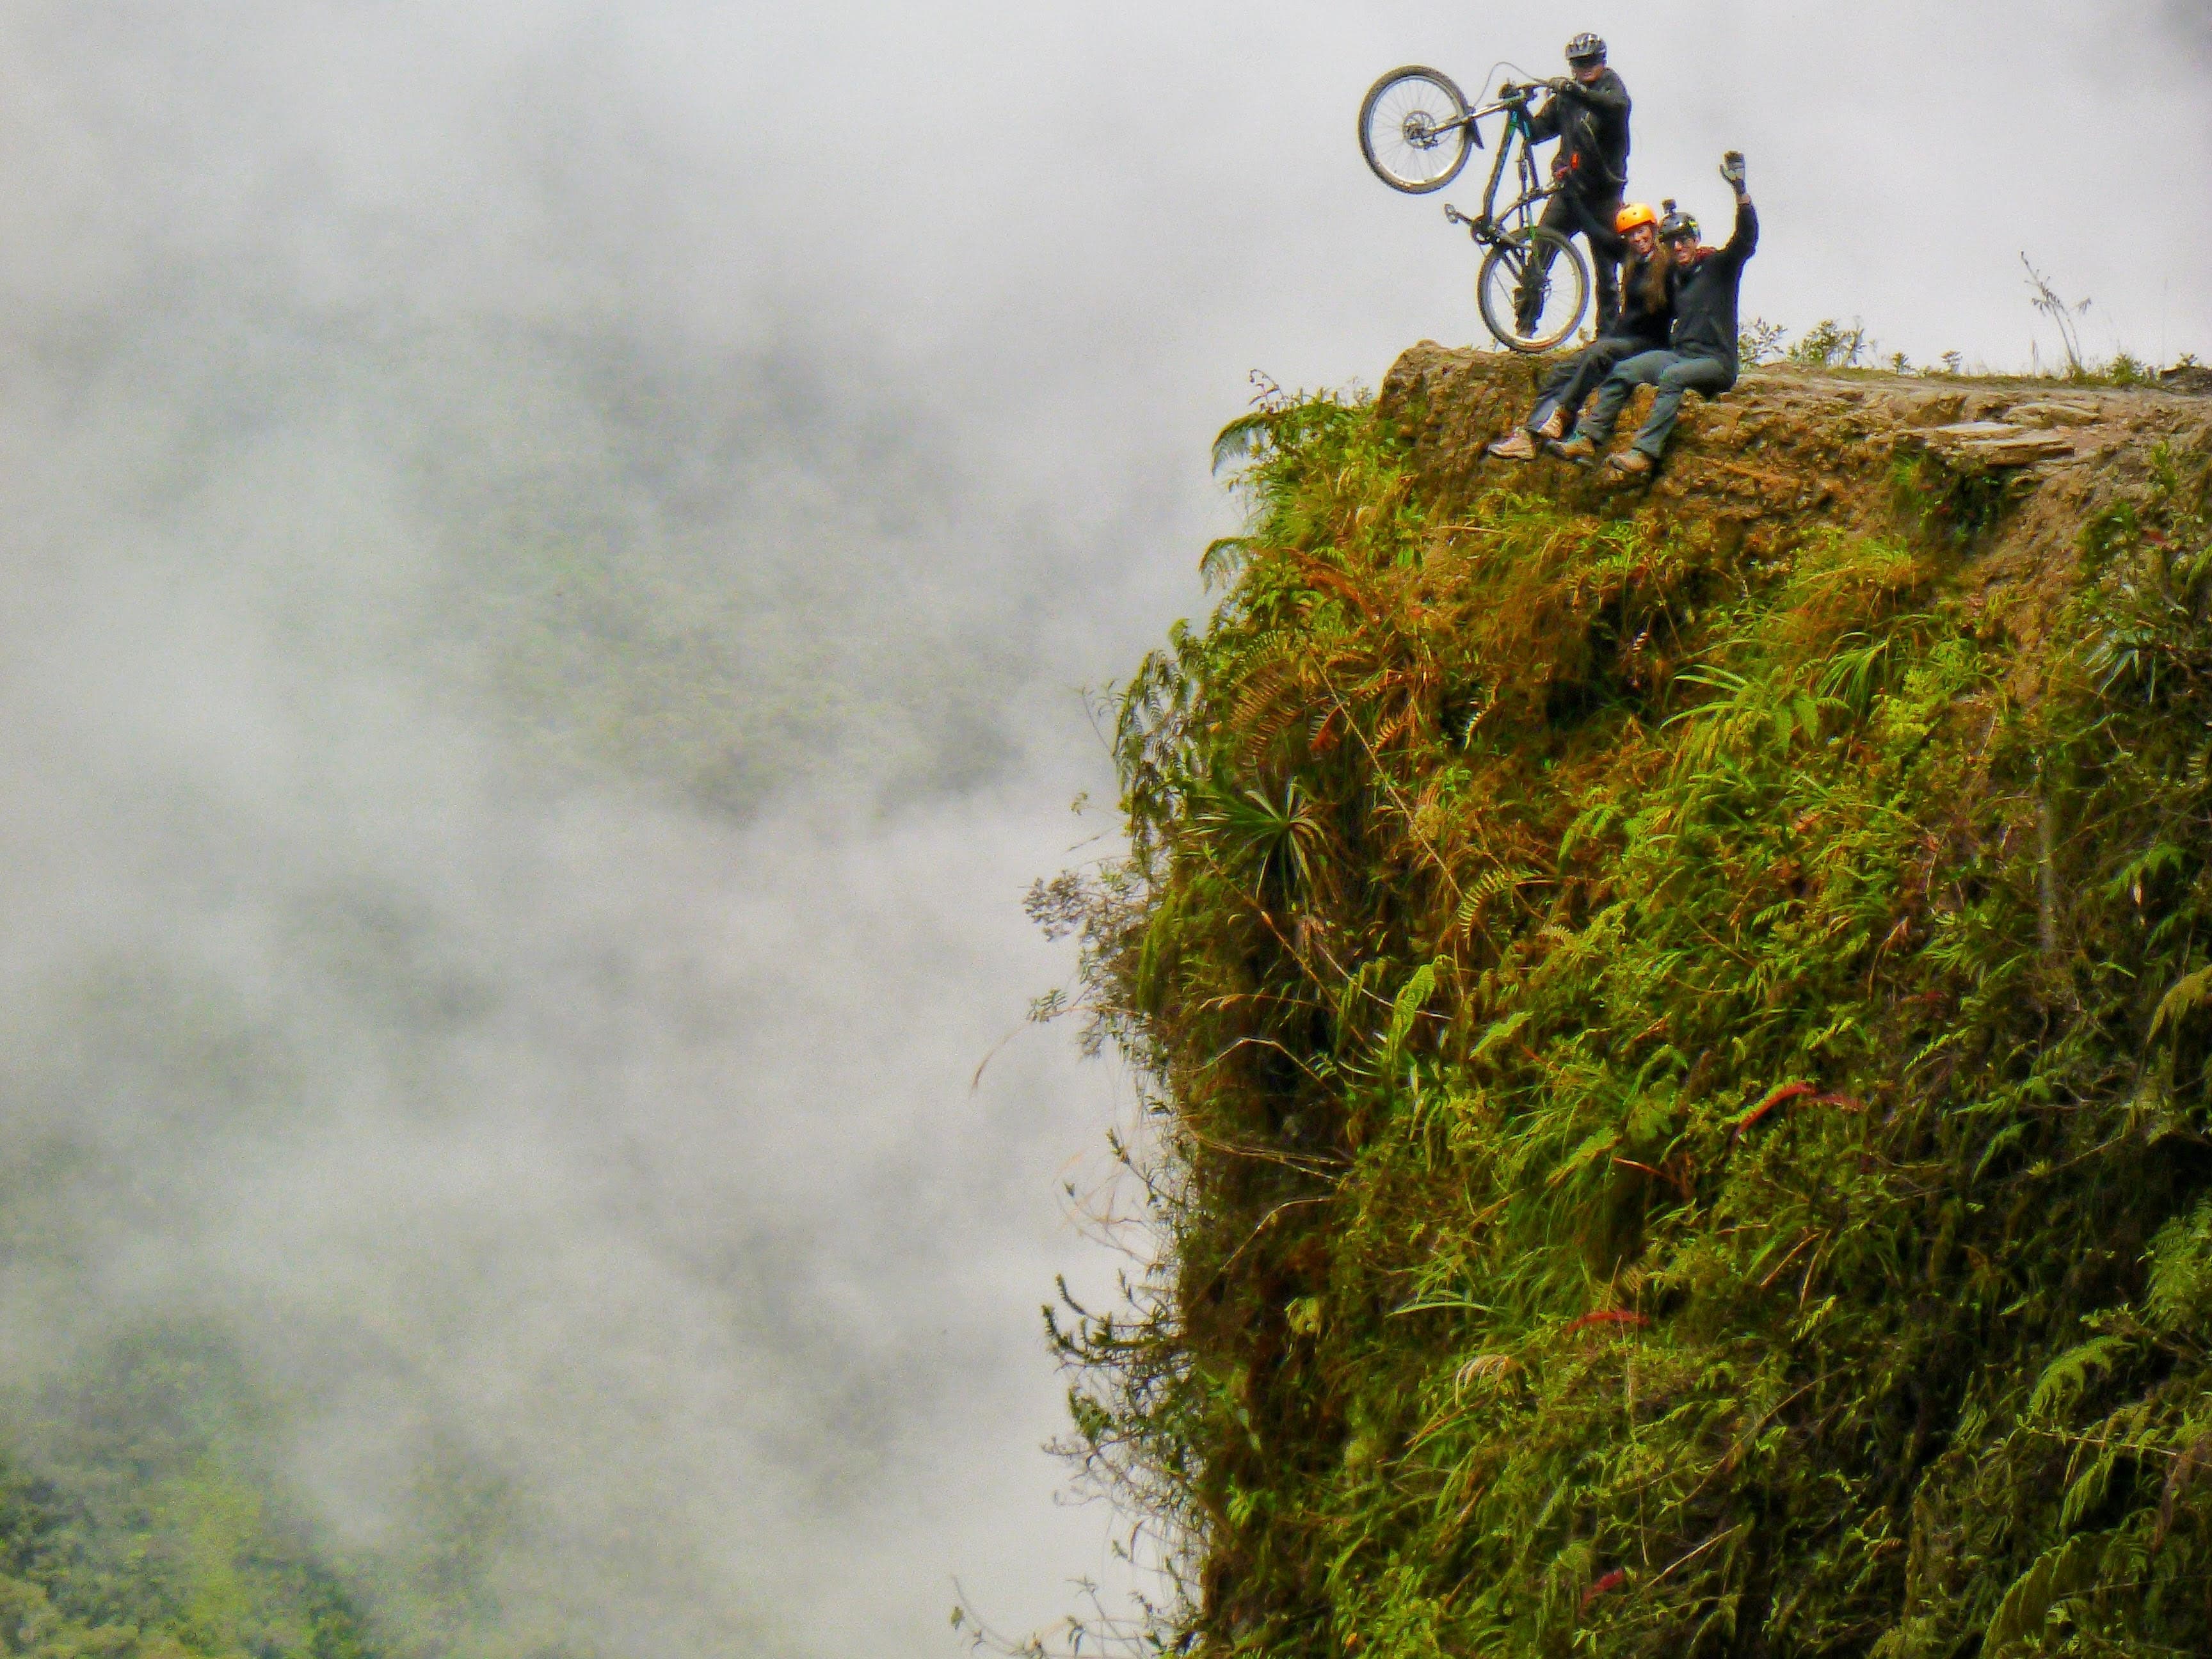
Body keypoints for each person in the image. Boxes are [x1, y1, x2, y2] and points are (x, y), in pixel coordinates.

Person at [1550, 151, 1758, 479]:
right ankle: (1588, 438)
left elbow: (1746, 240)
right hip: (1680, 356)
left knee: (1671, 379)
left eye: (1685, 241)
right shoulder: (1673, 274)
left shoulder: (1719, 267)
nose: (1679, 248)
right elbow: (1621, 248)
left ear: (1696, 239)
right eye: (1672, 243)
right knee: (1624, 370)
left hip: (1716, 362)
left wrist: (1741, 193)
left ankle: (1644, 454)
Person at [1487, 202, 1672, 461]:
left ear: (1653, 230)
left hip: (1649, 343)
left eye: (1642, 231)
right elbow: (1600, 234)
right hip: (1622, 339)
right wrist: (1576, 201)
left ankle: (1563, 415)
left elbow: (1691, 283)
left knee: (1599, 353)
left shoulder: (1669, 265)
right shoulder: (1632, 260)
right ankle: (1529, 437)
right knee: (1562, 370)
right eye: (1631, 234)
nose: (1638, 239)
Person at [1524, 32, 1632, 333]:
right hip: (1569, 194)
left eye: (1591, 61)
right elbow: (1535, 132)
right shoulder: (1565, 99)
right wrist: (1518, 109)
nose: (1585, 67)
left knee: (1606, 272)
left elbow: (1615, 107)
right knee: (1539, 255)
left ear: (1602, 61)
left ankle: (1607, 338)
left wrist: (1572, 89)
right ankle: (1524, 329)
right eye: (1578, 63)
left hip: (1605, 198)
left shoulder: (1611, 86)